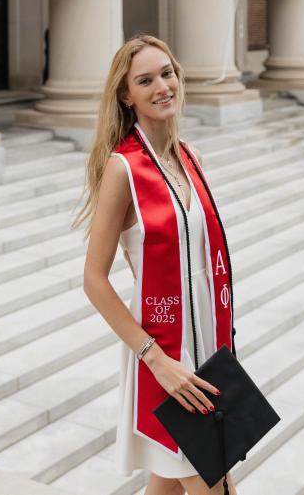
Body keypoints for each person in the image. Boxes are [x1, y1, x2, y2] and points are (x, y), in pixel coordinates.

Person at [75, 34, 238, 495]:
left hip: (209, 351)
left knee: (165, 485)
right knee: (217, 487)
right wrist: (156, 360)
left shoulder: (192, 160)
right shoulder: (123, 169)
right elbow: (93, 279)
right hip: (165, 355)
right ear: (127, 95)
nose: (161, 86)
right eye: (145, 80)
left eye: (167, 73)